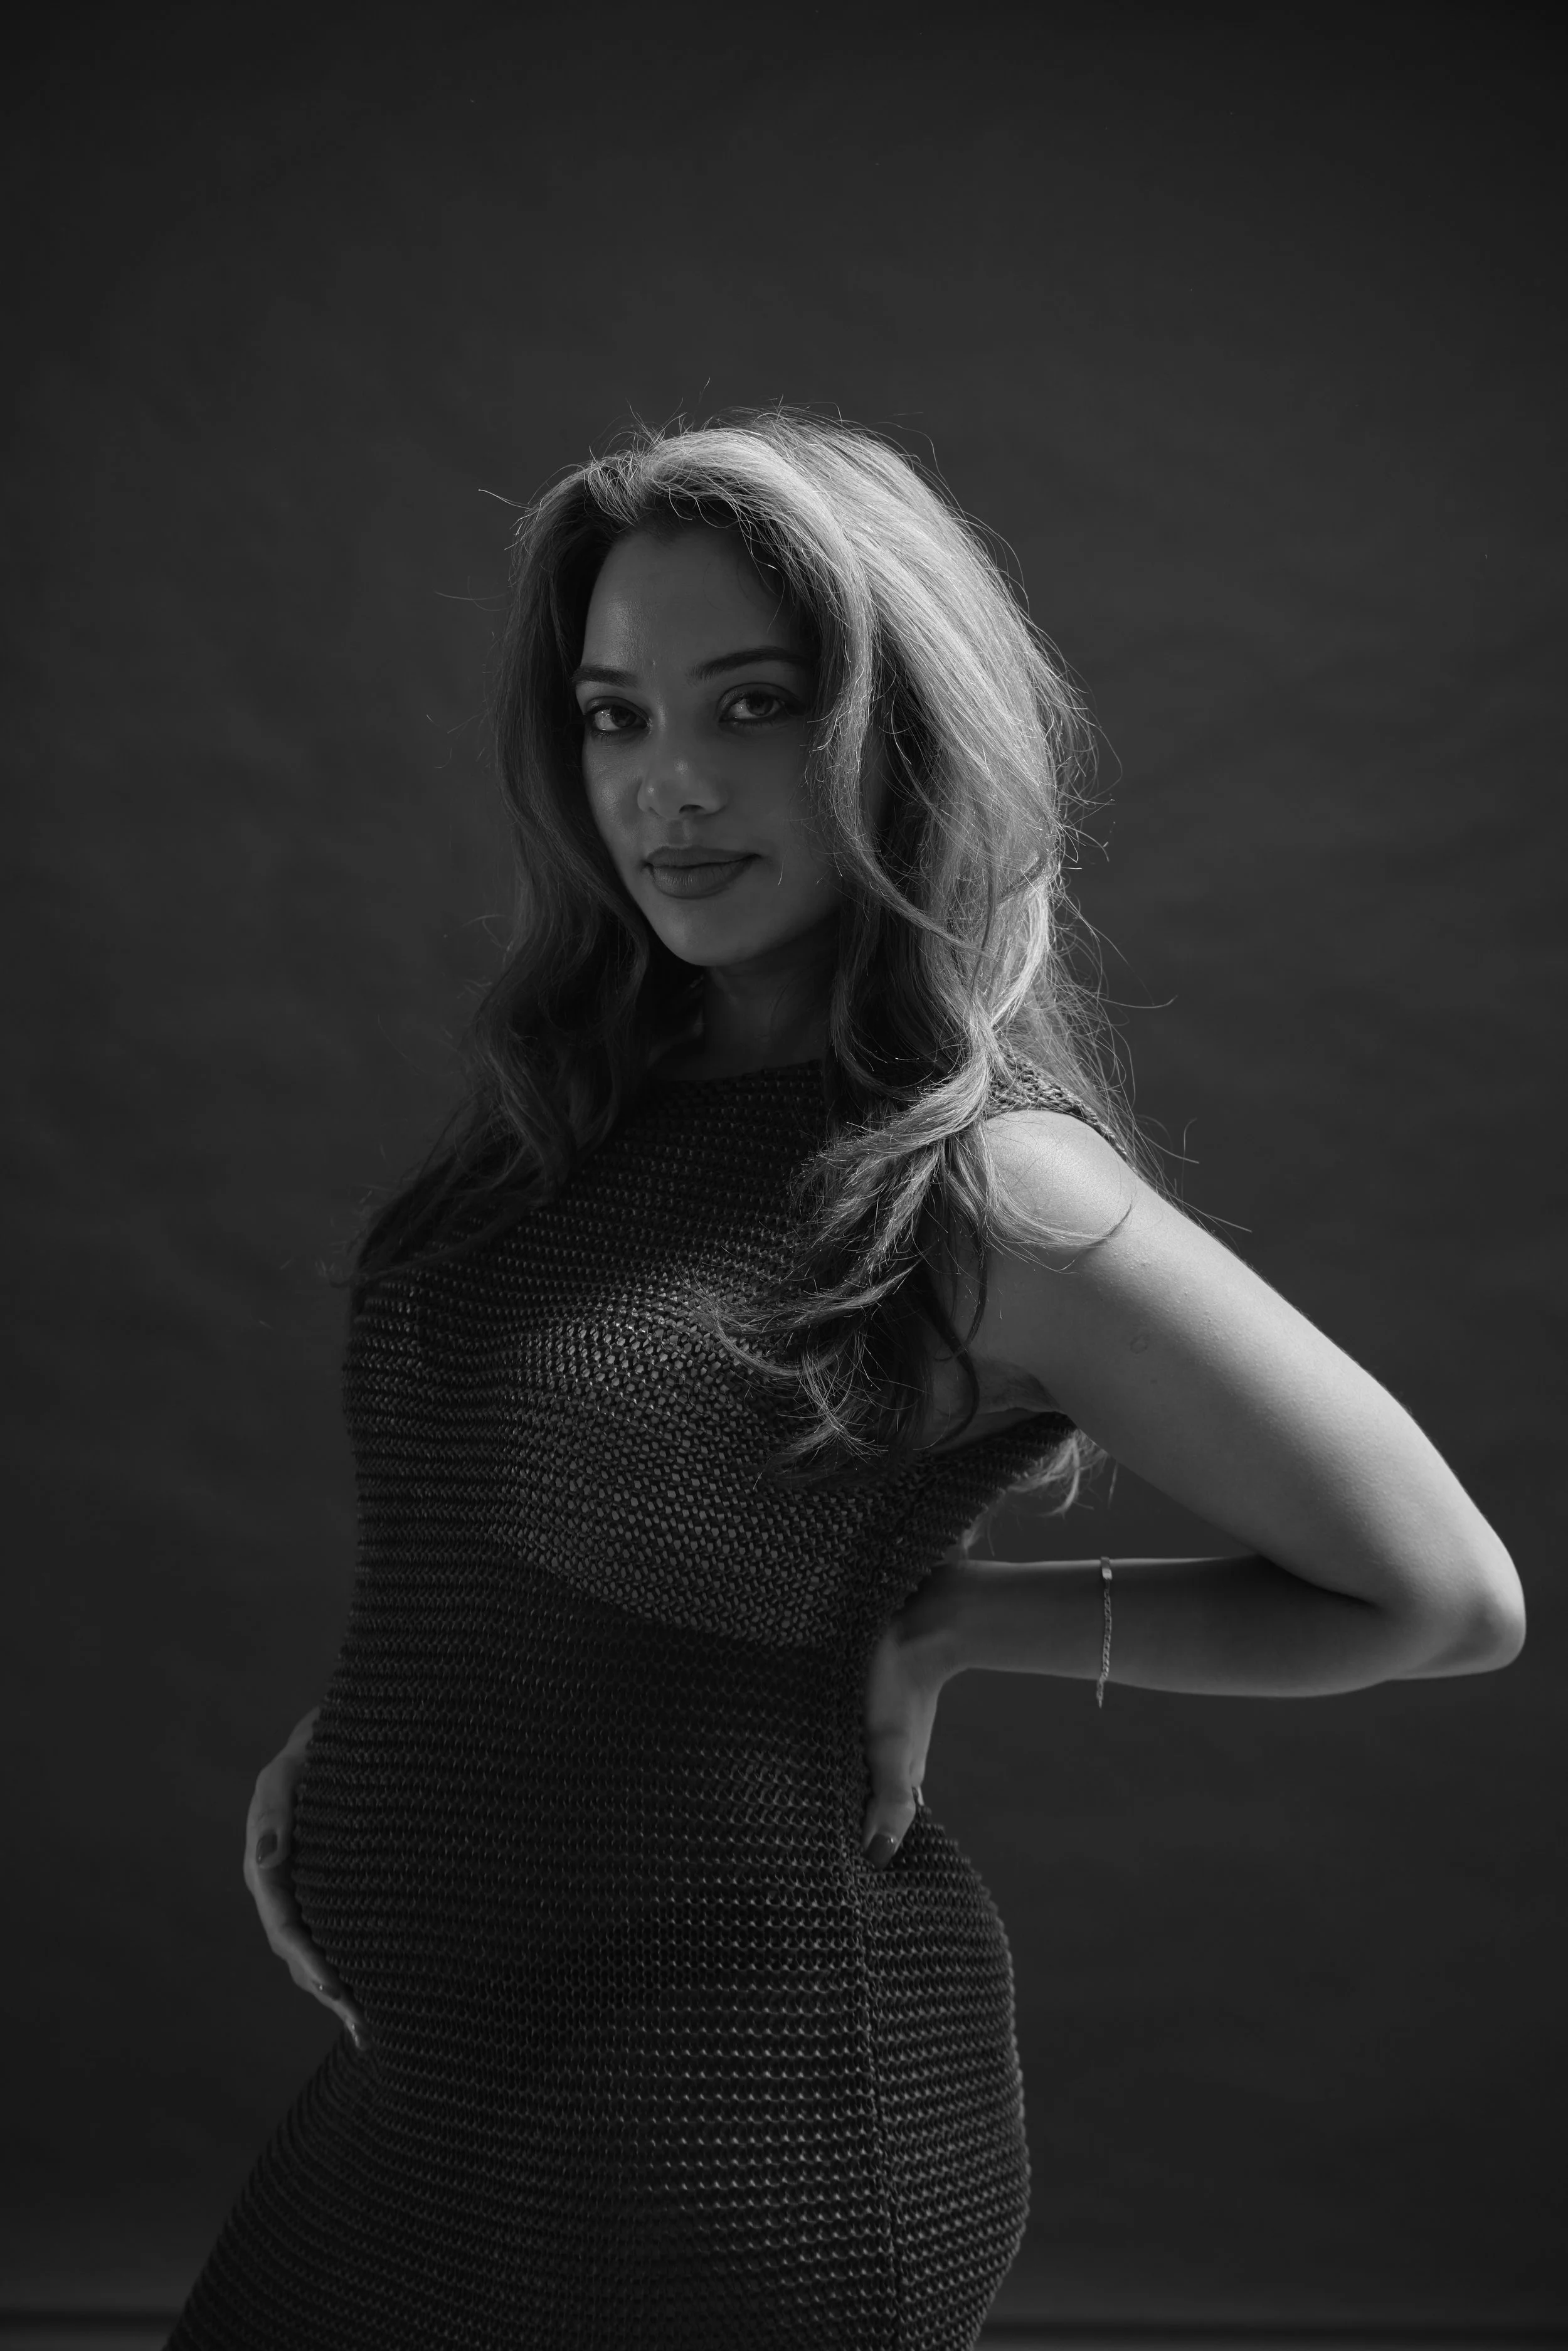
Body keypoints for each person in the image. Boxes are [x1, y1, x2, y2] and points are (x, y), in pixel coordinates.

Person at [169, 408, 1524, 2350]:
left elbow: (1446, 1599)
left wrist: (959, 1616)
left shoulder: (982, 1186)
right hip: (436, 2081)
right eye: (616, 715)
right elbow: (518, 1512)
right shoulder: (587, 1102)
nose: (669, 789)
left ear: (901, 732)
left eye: (756, 705)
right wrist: (384, 1735)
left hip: (732, 2133)